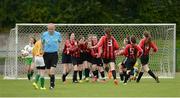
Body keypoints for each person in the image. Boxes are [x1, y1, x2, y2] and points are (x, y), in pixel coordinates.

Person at [41, 23, 62, 89]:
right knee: (48, 72)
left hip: (54, 54)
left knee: (52, 70)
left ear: (54, 28)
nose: (50, 30)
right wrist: (42, 51)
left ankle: (52, 85)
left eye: (52, 29)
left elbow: (60, 42)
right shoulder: (44, 34)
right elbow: (42, 43)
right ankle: (53, 79)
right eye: (49, 29)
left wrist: (59, 50)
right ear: (47, 29)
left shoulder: (58, 34)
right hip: (46, 54)